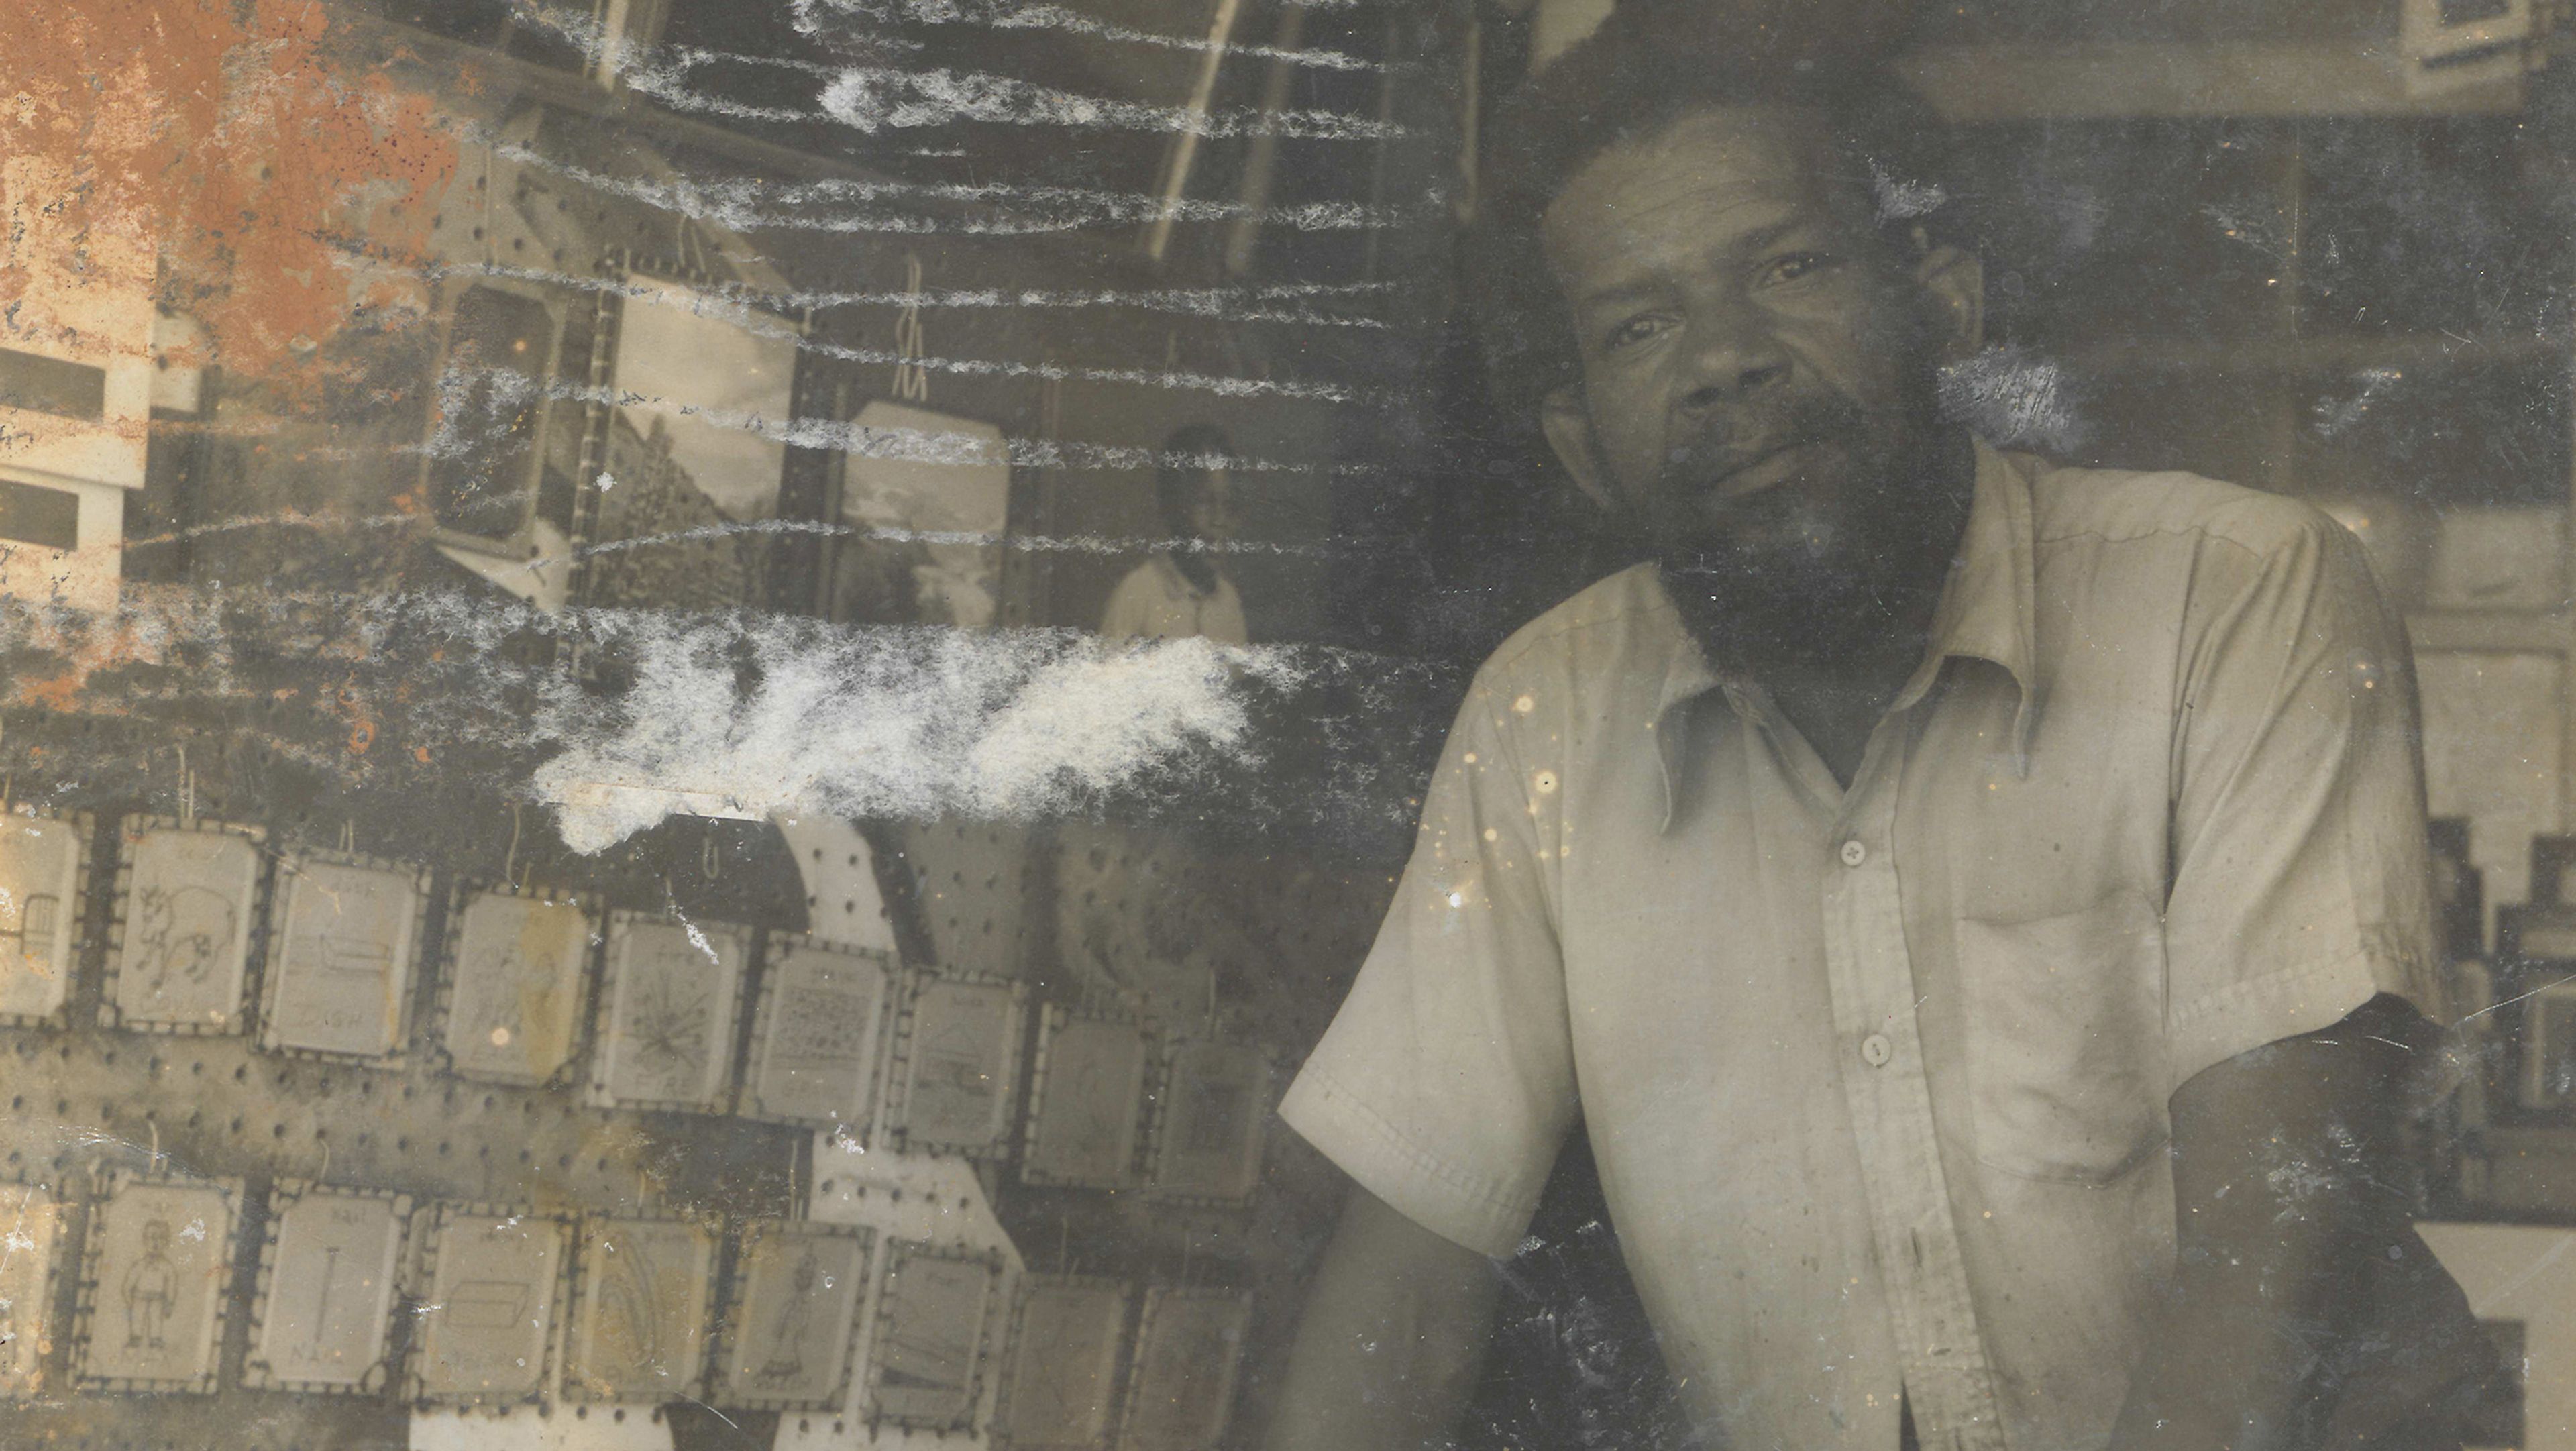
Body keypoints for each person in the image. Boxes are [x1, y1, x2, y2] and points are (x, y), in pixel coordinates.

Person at [1265, 10, 2490, 1451]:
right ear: (1583, 447)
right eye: (1639, 327)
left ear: (1944, 300)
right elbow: (1403, 1293)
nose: (1725, 360)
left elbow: (2265, 1270)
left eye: (1787, 268)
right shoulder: (1543, 721)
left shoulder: (2232, 601)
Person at [1099, 423, 1250, 645]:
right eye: (1204, 503)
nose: (1218, 520)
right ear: (1173, 507)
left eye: (1229, 505)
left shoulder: (1229, 603)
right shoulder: (1138, 594)